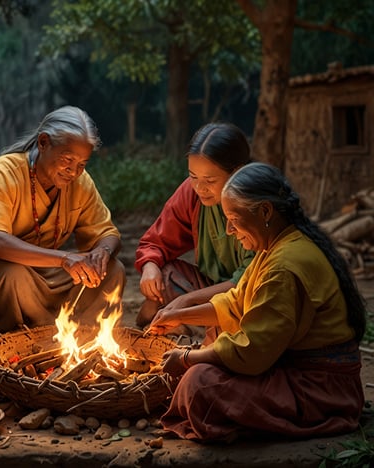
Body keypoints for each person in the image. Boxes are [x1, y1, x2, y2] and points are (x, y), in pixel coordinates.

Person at [148, 162, 367, 442]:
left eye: (234, 219)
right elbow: (237, 302)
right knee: (214, 340)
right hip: (293, 367)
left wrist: (187, 358)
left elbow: (251, 352)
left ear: (265, 211)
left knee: (200, 383)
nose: (229, 230)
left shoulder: (284, 266)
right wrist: (178, 316)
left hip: (320, 391)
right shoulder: (275, 247)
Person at [0, 106, 125, 338]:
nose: (73, 172)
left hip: (48, 273)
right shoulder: (5, 172)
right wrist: (65, 259)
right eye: (67, 160)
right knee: (12, 274)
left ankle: (81, 339)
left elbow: (106, 232)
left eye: (82, 164)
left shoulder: (80, 183)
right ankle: (20, 340)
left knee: (114, 270)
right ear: (43, 143)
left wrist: (103, 251)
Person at [135, 122, 256, 330]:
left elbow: (248, 282)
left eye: (209, 180)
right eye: (193, 177)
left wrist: (187, 302)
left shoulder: (256, 203)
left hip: (250, 297)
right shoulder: (193, 194)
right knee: (165, 274)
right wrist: (150, 266)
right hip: (211, 288)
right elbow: (156, 242)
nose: (200, 188)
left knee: (242, 326)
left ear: (236, 172)